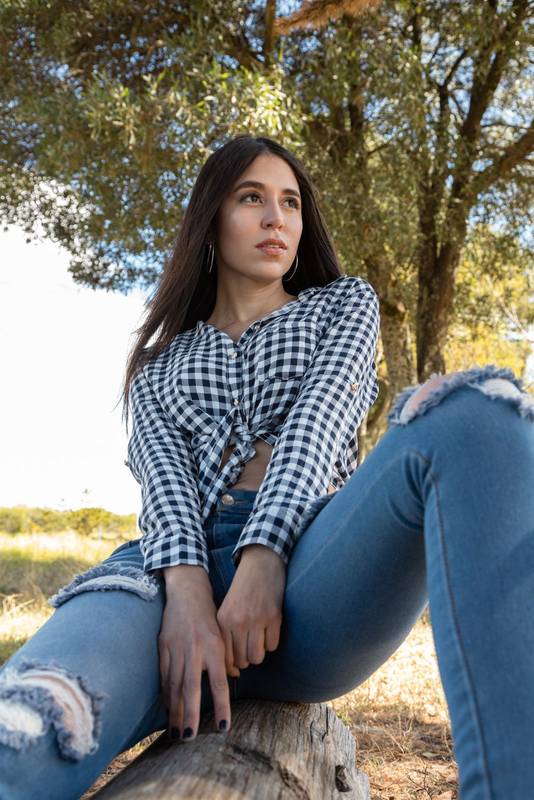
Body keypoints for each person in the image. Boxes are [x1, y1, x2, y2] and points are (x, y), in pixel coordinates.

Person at [0, 134, 532, 800]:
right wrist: (188, 597)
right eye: (251, 198)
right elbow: (164, 490)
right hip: (168, 575)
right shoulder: (157, 367)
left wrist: (263, 556)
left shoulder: (342, 305)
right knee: (30, 722)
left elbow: (319, 424)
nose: (276, 218)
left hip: (317, 564)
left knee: (479, 413)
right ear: (211, 222)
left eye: (290, 203)